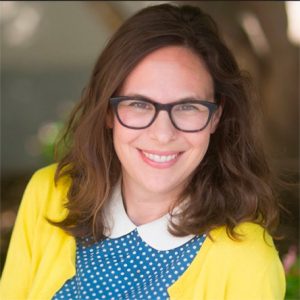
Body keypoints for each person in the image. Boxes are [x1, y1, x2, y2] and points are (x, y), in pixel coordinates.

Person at [0, 3, 285, 300]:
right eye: (139, 104)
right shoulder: (49, 194)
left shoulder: (248, 259)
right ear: (108, 111)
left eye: (188, 106)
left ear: (215, 117)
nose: (162, 134)